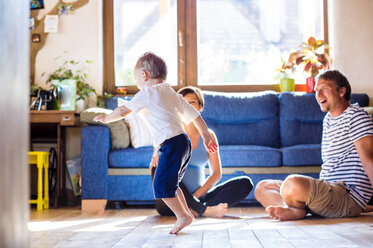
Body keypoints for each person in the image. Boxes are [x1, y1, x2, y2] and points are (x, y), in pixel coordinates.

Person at [94, 52, 218, 234]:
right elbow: (195, 115)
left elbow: (122, 111)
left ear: (144, 75)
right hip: (183, 143)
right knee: (172, 184)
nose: (137, 81)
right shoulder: (172, 93)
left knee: (161, 185)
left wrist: (106, 118)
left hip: (171, 144)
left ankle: (183, 216)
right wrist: (206, 136)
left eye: (136, 77)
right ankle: (185, 214)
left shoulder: (147, 93)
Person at [254, 70, 373, 221]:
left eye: (324, 89)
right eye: (317, 91)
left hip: (346, 194)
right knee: (262, 187)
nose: (319, 95)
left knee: (292, 183)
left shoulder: (357, 117)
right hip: (328, 189)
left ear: (342, 91)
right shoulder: (328, 120)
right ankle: (296, 207)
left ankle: (297, 209)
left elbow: (369, 161)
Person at [151, 86, 253, 218]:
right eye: (182, 103)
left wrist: (194, 198)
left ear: (200, 106)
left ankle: (195, 209)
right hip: (170, 202)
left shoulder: (208, 136)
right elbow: (157, 173)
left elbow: (216, 174)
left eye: (192, 102)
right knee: (158, 167)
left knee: (245, 183)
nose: (187, 107)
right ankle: (203, 211)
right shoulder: (168, 134)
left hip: (200, 197)